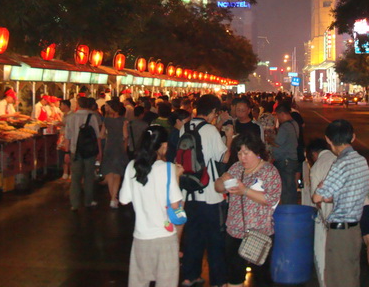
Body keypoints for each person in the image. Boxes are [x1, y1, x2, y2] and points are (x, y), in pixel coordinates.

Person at [119, 125, 184, 287]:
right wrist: (177, 177)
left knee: (138, 283)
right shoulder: (169, 168)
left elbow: (124, 199)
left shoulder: (132, 166)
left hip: (141, 237)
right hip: (165, 238)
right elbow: (176, 205)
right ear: (164, 146)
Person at [215, 132, 281, 287]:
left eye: (246, 153)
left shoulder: (269, 171)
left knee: (262, 278)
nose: (242, 158)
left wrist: (245, 190)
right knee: (234, 276)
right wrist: (222, 180)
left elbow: (271, 199)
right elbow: (218, 188)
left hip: (260, 233)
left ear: (257, 151)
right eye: (239, 153)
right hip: (235, 231)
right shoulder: (236, 168)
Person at [180, 94, 233, 287]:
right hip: (210, 194)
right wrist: (229, 137)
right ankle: (218, 281)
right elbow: (224, 157)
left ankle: (190, 276)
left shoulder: (185, 127)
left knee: (192, 236)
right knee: (214, 240)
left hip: (188, 192)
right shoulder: (210, 130)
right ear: (213, 112)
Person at [312, 119, 369, 287]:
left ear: (328, 140)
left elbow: (317, 197)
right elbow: (348, 191)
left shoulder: (340, 164)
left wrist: (321, 189)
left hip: (340, 232)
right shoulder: (361, 161)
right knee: (351, 276)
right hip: (354, 230)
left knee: (337, 278)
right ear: (353, 137)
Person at [306, 138, 337, 287]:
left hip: (328, 220)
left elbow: (316, 199)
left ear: (313, 154)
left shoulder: (317, 167)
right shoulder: (339, 160)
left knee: (325, 257)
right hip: (348, 220)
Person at [64, 96, 102, 210]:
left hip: (75, 151)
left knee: (75, 178)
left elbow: (67, 137)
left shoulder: (71, 117)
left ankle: (74, 203)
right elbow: (97, 136)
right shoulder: (92, 117)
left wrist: (66, 152)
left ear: (78, 104)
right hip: (89, 151)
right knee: (89, 176)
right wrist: (99, 151)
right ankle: (88, 201)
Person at [100, 99, 129, 208]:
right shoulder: (123, 120)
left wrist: (108, 135)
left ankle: (113, 198)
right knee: (117, 174)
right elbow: (125, 136)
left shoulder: (106, 120)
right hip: (119, 148)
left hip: (109, 147)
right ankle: (113, 198)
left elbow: (101, 135)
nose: (105, 108)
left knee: (109, 173)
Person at [271, 102, 299, 204]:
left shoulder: (285, 127)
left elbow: (277, 143)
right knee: (291, 187)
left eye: (278, 116)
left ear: (282, 114)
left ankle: (288, 208)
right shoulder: (294, 124)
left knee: (286, 188)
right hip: (292, 159)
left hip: (285, 161)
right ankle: (292, 207)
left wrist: (269, 139)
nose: (278, 119)